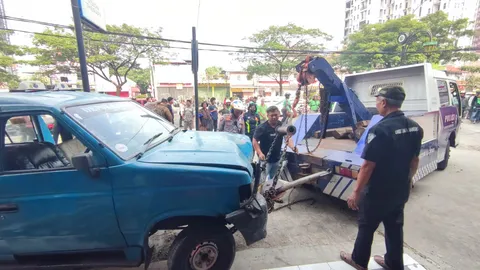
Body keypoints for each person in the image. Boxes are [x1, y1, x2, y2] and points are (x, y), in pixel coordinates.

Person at [340, 86, 423, 270]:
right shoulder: (415, 128)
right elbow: (415, 159)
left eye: (377, 101)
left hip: (378, 191)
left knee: (366, 226)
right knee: (394, 228)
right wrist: (409, 180)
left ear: (384, 103)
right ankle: (394, 263)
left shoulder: (379, 129)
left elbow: (368, 165)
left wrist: (355, 192)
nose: (377, 104)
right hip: (399, 189)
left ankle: (359, 261)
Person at [253, 106, 297, 184]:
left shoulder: (281, 125)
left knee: (273, 180)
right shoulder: (262, 127)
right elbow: (255, 141)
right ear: (267, 116)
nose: (274, 117)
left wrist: (292, 147)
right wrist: (259, 153)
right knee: (261, 182)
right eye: (271, 115)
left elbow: (288, 137)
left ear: (279, 114)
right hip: (265, 160)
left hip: (276, 159)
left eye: (276, 115)